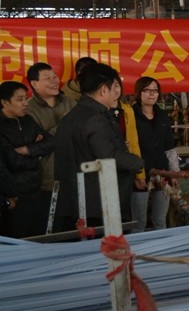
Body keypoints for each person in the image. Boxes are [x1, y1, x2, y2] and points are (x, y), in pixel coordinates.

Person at [53, 63, 144, 231]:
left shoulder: (71, 116)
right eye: (114, 88)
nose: (117, 93)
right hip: (98, 206)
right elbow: (109, 157)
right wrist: (137, 162)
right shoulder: (96, 118)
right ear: (103, 90)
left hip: (74, 203)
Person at [0, 81, 56, 237]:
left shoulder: (28, 120)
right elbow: (11, 161)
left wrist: (28, 149)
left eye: (26, 98)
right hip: (15, 197)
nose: (25, 103)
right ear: (5, 102)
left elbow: (51, 142)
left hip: (36, 190)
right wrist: (37, 155)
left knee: (38, 237)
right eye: (20, 99)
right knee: (18, 240)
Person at [131, 77, 179, 232]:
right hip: (139, 173)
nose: (152, 94)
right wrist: (134, 174)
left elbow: (169, 147)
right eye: (147, 90)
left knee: (160, 220)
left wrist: (174, 173)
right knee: (139, 221)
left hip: (162, 172)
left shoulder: (162, 115)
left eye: (155, 90)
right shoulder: (130, 115)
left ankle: (162, 247)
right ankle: (138, 248)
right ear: (139, 93)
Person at [25, 62, 77, 203]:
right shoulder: (28, 109)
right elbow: (39, 143)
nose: (55, 81)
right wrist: (64, 123)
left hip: (74, 172)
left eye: (55, 76)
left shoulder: (69, 101)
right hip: (47, 178)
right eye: (48, 78)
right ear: (35, 84)